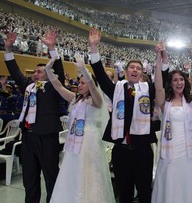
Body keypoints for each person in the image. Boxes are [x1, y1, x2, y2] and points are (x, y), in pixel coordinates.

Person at [89, 27, 169, 203]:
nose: (135, 70)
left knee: (145, 193)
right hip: (121, 151)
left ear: (142, 73)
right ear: (126, 71)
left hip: (142, 151)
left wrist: (162, 57)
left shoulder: (148, 90)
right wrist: (94, 49)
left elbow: (162, 78)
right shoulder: (116, 89)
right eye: (132, 67)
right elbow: (101, 77)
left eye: (139, 68)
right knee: (124, 194)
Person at [4, 29, 64, 203]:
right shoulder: (28, 87)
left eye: (40, 72)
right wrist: (8, 49)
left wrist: (52, 48)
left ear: (49, 75)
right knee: (29, 178)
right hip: (28, 137)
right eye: (35, 72)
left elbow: (58, 69)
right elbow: (14, 71)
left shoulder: (53, 88)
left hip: (47, 138)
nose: (35, 74)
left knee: (51, 177)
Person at [45, 55, 115, 203]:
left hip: (89, 141)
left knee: (88, 174)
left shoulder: (96, 100)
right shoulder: (76, 98)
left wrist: (84, 70)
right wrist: (48, 70)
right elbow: (58, 87)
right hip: (74, 140)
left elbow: (93, 88)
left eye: (84, 83)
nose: (80, 85)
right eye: (79, 82)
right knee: (73, 172)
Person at [152, 44, 192, 203]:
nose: (179, 82)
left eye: (181, 79)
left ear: (185, 82)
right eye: (175, 80)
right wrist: (158, 58)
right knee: (171, 187)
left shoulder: (191, 102)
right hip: (170, 153)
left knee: (189, 188)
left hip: (188, 152)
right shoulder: (165, 103)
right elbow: (158, 86)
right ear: (170, 83)